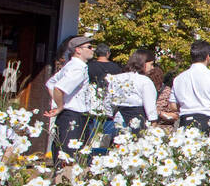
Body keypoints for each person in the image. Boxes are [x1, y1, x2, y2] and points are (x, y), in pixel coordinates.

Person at [45, 35, 95, 163]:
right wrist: (61, 106)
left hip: (69, 115)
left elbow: (50, 83)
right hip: (73, 116)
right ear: (78, 50)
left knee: (65, 156)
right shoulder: (77, 68)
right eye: (89, 47)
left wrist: (61, 105)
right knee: (69, 159)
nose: (93, 49)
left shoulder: (71, 65)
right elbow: (58, 88)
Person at [172, 40, 210, 132]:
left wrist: (186, 107)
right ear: (207, 57)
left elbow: (173, 105)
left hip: (184, 121)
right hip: (206, 121)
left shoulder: (179, 78)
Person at [107, 50, 159, 132]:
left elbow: (109, 101)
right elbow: (150, 106)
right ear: (143, 63)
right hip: (137, 119)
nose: (152, 68)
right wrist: (153, 124)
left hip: (118, 118)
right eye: (151, 64)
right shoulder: (145, 81)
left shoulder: (115, 78)